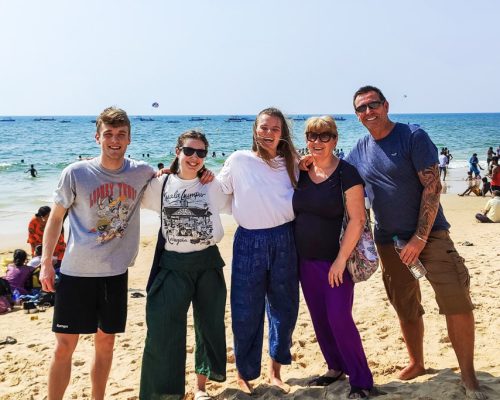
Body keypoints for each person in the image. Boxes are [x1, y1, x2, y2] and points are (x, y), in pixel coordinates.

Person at [346, 86, 484, 399]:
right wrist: (305, 165)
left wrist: (420, 238)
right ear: (357, 115)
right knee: (404, 304)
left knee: (456, 301)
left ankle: (469, 375)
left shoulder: (413, 136)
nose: (368, 112)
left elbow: (432, 187)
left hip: (431, 236)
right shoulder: (359, 149)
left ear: (386, 105)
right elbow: (341, 178)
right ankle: (417, 362)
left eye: (373, 105)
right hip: (387, 241)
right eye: (361, 108)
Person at [39, 107, 156, 400]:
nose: (114, 140)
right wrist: (46, 264)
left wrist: (202, 173)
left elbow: (175, 176)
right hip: (76, 273)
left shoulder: (141, 172)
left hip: (115, 275)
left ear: (129, 138)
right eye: (108, 134)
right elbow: (55, 219)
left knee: (105, 345)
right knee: (65, 347)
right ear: (97, 137)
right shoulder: (76, 173)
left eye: (121, 135)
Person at [140, 130, 230, 400]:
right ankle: (166, 393)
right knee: (164, 328)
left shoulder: (212, 185)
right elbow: (129, 196)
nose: (194, 157)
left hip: (207, 262)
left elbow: (244, 196)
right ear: (177, 151)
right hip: (172, 264)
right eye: (189, 151)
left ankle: (201, 388)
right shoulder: (160, 185)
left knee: (209, 326)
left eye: (201, 153)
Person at [217, 107, 300, 394]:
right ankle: (244, 373)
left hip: (285, 240)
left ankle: (275, 370)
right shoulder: (239, 160)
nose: (268, 133)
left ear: (282, 134)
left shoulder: (293, 161)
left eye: (274, 129)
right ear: (255, 129)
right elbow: (217, 192)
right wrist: (181, 175)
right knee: (244, 309)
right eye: (264, 127)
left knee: (284, 307)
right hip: (248, 241)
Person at [293, 116, 373, 399]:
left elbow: (357, 219)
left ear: (335, 140)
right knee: (319, 318)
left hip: (336, 262)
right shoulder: (301, 171)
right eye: (311, 137)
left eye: (324, 136)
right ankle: (335, 367)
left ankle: (362, 380)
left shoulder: (347, 173)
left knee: (339, 317)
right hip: (305, 260)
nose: (317, 142)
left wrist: (340, 261)